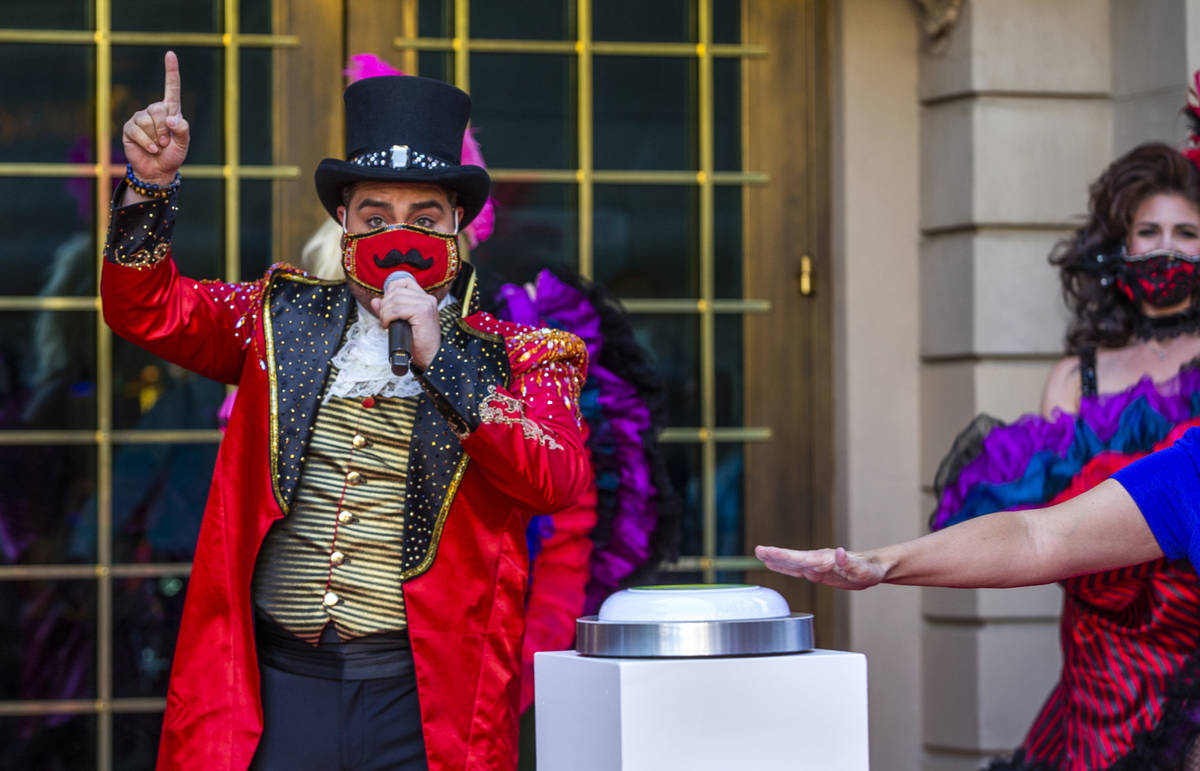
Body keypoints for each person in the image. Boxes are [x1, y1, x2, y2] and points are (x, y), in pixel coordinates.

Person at [104, 51, 592, 770]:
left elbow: (558, 476)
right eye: (376, 214)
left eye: (424, 216)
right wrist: (151, 184)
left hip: (418, 707)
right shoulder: (278, 315)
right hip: (276, 691)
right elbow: (144, 310)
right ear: (345, 222)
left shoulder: (523, 353)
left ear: (458, 223)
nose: (400, 234)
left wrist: (441, 358)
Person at [918, 141, 1200, 770]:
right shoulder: (1077, 378)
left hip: (1193, 637)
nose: (1166, 246)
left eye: (1186, 232)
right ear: (1119, 247)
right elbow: (1043, 524)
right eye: (1148, 230)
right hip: (1102, 648)